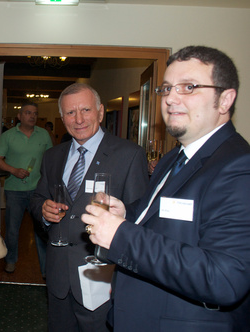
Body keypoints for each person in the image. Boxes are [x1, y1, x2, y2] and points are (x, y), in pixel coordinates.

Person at [82, 46, 250, 331]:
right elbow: (165, 217)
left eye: (189, 87)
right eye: (167, 88)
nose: (171, 98)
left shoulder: (239, 167)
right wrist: (128, 213)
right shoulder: (175, 157)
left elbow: (223, 278)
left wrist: (121, 234)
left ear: (225, 100)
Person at [30, 83, 148, 332]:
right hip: (59, 274)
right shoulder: (53, 156)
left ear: (101, 112)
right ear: (62, 118)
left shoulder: (129, 154)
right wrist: (43, 210)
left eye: (85, 110)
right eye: (70, 113)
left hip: (102, 275)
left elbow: (140, 215)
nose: (79, 119)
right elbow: (38, 197)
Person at [0, 102, 53, 274]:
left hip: (39, 191)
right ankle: (10, 260)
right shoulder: (7, 136)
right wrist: (13, 170)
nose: (32, 116)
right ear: (19, 116)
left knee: (42, 231)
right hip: (14, 191)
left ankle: (46, 269)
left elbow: (51, 160)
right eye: (28, 113)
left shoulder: (44, 135)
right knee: (12, 230)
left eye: (35, 113)